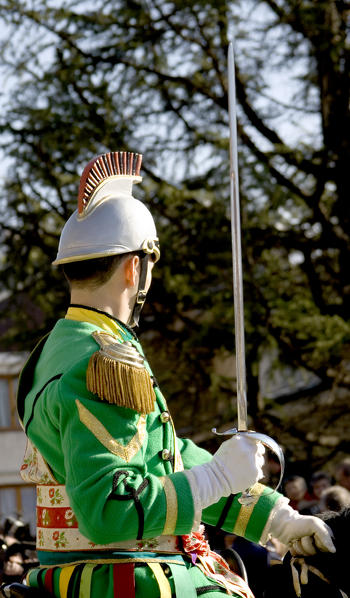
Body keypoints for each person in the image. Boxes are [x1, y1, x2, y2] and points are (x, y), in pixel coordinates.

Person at [16, 152, 335, 598]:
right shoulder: (103, 361)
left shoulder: (55, 348)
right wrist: (219, 477)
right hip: (126, 577)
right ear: (134, 267)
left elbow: (164, 457)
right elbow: (107, 509)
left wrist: (275, 517)